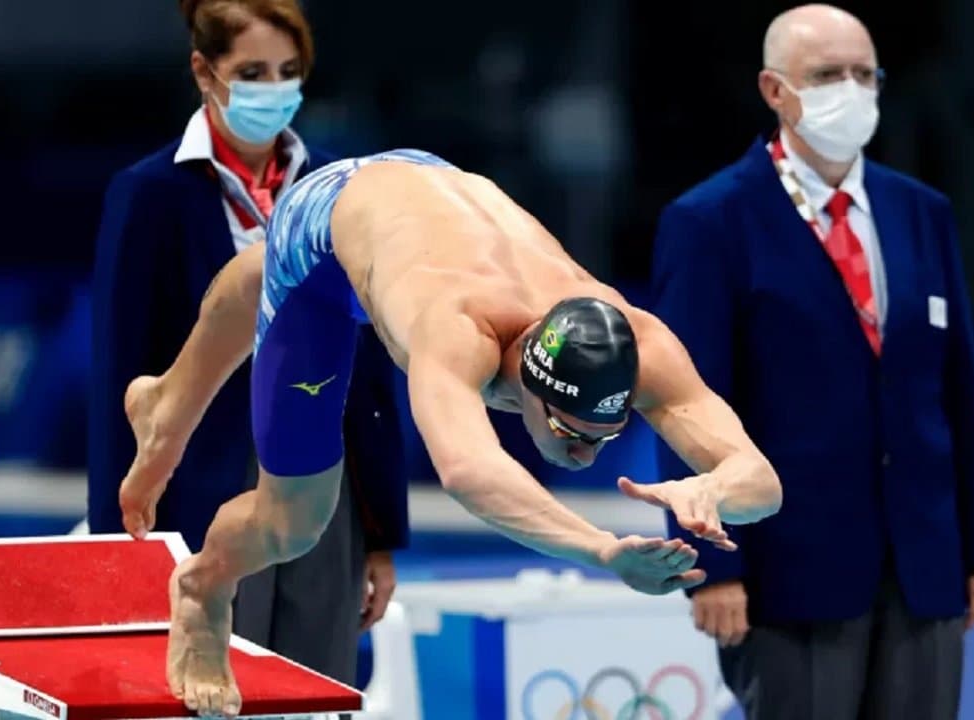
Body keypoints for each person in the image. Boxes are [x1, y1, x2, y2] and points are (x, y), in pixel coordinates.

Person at [117, 147, 785, 716]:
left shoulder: (640, 342)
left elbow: (762, 481)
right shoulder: (457, 328)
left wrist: (715, 488)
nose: (584, 454)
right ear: (523, 375)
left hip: (424, 187)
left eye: (603, 436)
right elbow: (469, 473)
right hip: (329, 228)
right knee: (296, 520)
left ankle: (165, 403)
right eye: (569, 433)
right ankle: (203, 585)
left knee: (262, 282)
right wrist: (602, 552)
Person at [648, 5, 974, 719]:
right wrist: (712, 567)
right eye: (826, 74)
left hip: (924, 567)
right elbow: (683, 404)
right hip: (788, 577)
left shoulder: (921, 212)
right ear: (775, 90)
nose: (850, 89)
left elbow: (958, 392)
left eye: (862, 73)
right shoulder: (710, 221)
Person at [87, 0, 407, 689]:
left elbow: (374, 369)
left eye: (289, 72)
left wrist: (380, 534)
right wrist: (117, 544)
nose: (275, 88)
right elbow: (123, 367)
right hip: (204, 485)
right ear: (206, 72)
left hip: (327, 483)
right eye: (253, 72)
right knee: (207, 688)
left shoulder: (344, 187)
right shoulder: (150, 194)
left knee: (319, 687)